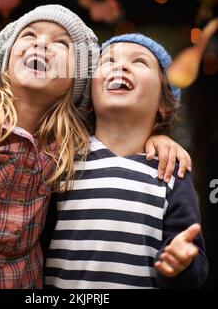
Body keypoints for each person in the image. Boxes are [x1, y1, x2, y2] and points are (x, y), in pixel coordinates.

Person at [0, 9, 190, 289]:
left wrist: (158, 137)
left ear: (78, 81)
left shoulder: (66, 145)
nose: (42, 44)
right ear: (7, 58)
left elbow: (124, 127)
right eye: (29, 35)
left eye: (61, 43)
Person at [45, 33, 208, 289]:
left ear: (164, 104)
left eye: (140, 62)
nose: (120, 66)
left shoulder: (170, 172)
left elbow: (196, 269)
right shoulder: (62, 157)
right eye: (107, 61)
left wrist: (180, 265)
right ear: (90, 94)